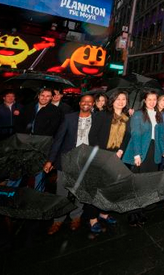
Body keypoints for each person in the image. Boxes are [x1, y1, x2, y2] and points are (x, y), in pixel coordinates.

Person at [44, 94, 107, 235]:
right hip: (68, 158)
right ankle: (58, 220)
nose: (86, 104)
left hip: (86, 160)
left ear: (93, 105)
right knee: (62, 190)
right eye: (84, 101)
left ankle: (76, 216)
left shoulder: (97, 119)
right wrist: (50, 160)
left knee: (81, 190)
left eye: (89, 102)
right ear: (79, 103)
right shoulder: (69, 118)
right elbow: (58, 140)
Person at [81, 91, 132, 235]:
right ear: (112, 101)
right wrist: (102, 155)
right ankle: (92, 218)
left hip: (116, 157)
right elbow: (93, 136)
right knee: (96, 188)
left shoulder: (126, 118)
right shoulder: (103, 115)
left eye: (123, 99)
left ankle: (103, 213)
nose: (121, 101)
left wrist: (121, 150)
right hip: (100, 156)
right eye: (118, 99)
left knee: (108, 188)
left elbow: (126, 137)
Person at [123, 91, 164, 226]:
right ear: (145, 101)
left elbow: (159, 137)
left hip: (153, 151)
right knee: (136, 183)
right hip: (141, 150)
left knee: (147, 183)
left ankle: (141, 210)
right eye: (150, 99)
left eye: (154, 99)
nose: (152, 102)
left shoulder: (159, 115)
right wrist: (137, 154)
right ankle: (132, 213)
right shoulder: (138, 114)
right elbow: (135, 134)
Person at [13, 88, 63, 191]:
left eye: (48, 96)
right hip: (24, 145)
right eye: (43, 95)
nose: (44, 98)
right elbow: (18, 124)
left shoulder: (55, 111)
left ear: (51, 98)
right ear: (38, 96)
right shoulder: (28, 107)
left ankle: (37, 196)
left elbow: (52, 130)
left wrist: (36, 140)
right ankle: (9, 193)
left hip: (41, 146)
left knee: (39, 173)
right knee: (18, 170)